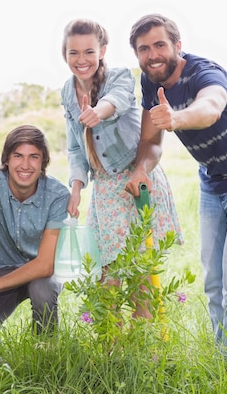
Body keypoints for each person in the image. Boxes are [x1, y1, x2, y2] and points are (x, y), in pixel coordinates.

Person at [128, 13, 227, 357]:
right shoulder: (150, 82)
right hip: (213, 178)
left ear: (177, 46)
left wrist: (177, 118)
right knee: (214, 282)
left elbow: (210, 108)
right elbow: (151, 141)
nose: (152, 54)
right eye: (143, 48)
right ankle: (222, 358)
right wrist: (142, 168)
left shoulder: (205, 72)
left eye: (160, 45)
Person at [60, 18, 183, 318]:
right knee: (107, 277)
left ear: (102, 50)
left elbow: (118, 101)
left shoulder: (119, 77)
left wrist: (96, 112)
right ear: (64, 55)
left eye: (89, 51)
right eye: (73, 53)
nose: (81, 60)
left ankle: (145, 353)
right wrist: (76, 187)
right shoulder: (67, 92)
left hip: (135, 179)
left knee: (140, 275)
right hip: (104, 188)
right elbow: (76, 148)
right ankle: (113, 355)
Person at [0, 125, 70, 346]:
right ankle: (1, 369)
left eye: (34, 157)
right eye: (18, 156)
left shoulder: (57, 195)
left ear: (43, 162)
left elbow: (45, 265)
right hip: (3, 267)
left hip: (42, 272)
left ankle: (45, 354)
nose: (25, 165)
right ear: (6, 159)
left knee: (42, 290)